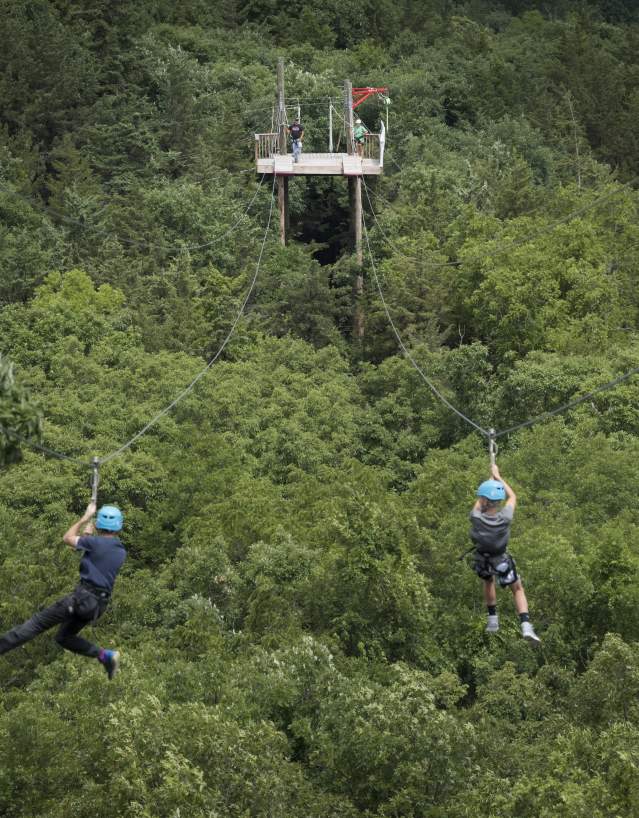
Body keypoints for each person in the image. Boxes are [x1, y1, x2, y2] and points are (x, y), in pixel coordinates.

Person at [0, 501, 126, 678]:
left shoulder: (93, 543)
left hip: (81, 600)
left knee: (35, 624)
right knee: (64, 638)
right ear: (119, 526)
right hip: (96, 606)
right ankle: (106, 656)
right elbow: (96, 555)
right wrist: (88, 535)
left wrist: (85, 518)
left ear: (99, 524)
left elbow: (67, 537)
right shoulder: (120, 550)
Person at [470, 464, 541, 644]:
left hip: (483, 562)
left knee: (488, 581)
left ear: (484, 501)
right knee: (517, 588)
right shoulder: (505, 517)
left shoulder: (476, 517)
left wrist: (489, 483)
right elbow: (513, 496)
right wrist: (498, 477)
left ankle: (492, 619)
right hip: (501, 561)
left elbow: (479, 503)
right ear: (498, 501)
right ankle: (525, 624)